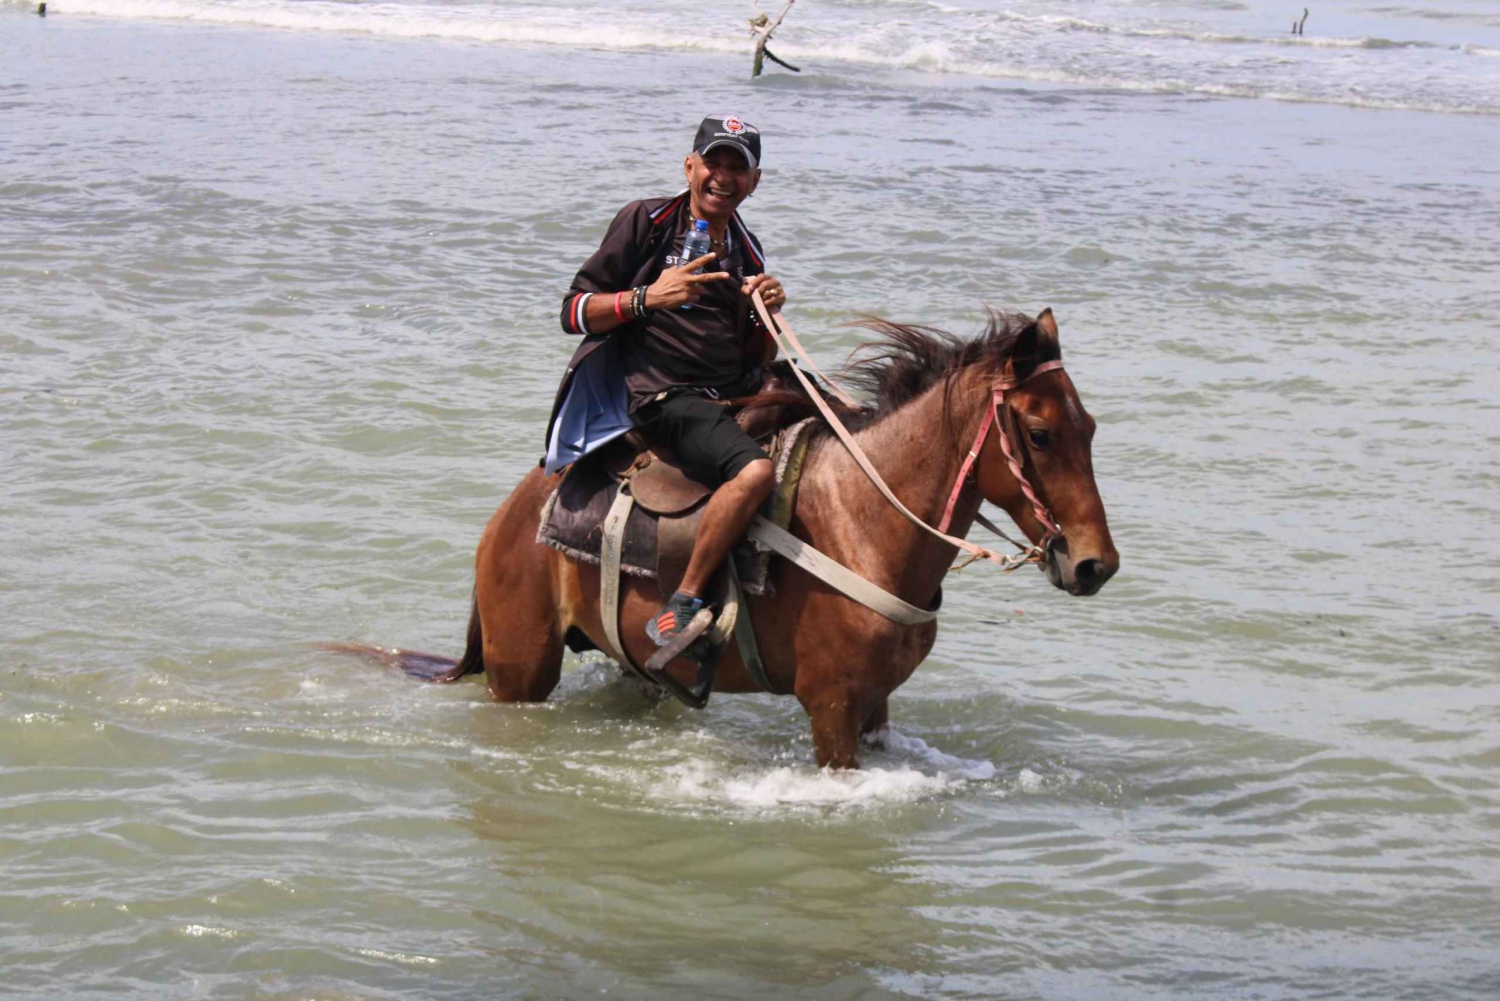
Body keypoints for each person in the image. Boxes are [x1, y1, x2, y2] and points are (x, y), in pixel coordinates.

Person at [544, 115, 788, 656]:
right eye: (713, 164)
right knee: (755, 472)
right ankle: (684, 602)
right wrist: (646, 298)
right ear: (690, 166)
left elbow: (755, 355)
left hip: (733, 387)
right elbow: (572, 312)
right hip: (664, 395)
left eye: (736, 169)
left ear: (755, 181)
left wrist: (763, 315)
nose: (722, 178)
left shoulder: (747, 249)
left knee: (831, 403)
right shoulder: (646, 221)